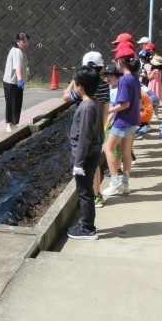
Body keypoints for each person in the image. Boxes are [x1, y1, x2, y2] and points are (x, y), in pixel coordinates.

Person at [63, 51, 110, 208]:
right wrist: (102, 127)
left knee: (88, 167)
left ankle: (94, 195)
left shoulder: (84, 89)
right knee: (94, 164)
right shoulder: (102, 85)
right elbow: (105, 107)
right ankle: (97, 193)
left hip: (85, 125)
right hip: (98, 127)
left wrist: (76, 78)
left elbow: (65, 97)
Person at [65, 66, 104, 240]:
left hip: (85, 156)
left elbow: (84, 138)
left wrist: (79, 164)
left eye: (74, 82)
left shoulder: (87, 107)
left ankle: (88, 228)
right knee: (84, 190)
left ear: (80, 86)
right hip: (92, 152)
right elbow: (99, 132)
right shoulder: (94, 101)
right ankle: (84, 222)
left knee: (84, 191)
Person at [102, 46, 141, 196]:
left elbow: (124, 104)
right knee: (126, 152)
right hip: (133, 120)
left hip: (123, 121)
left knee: (108, 149)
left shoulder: (124, 80)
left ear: (119, 62)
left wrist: (106, 111)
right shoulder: (134, 78)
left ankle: (115, 183)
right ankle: (125, 184)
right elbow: (136, 101)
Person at [3, 32, 30, 132]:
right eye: (23, 41)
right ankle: (9, 125)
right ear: (18, 42)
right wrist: (20, 80)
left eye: (27, 41)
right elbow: (17, 68)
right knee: (11, 103)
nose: (26, 43)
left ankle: (14, 123)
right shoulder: (17, 52)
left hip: (16, 82)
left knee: (17, 103)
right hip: (12, 82)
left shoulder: (21, 52)